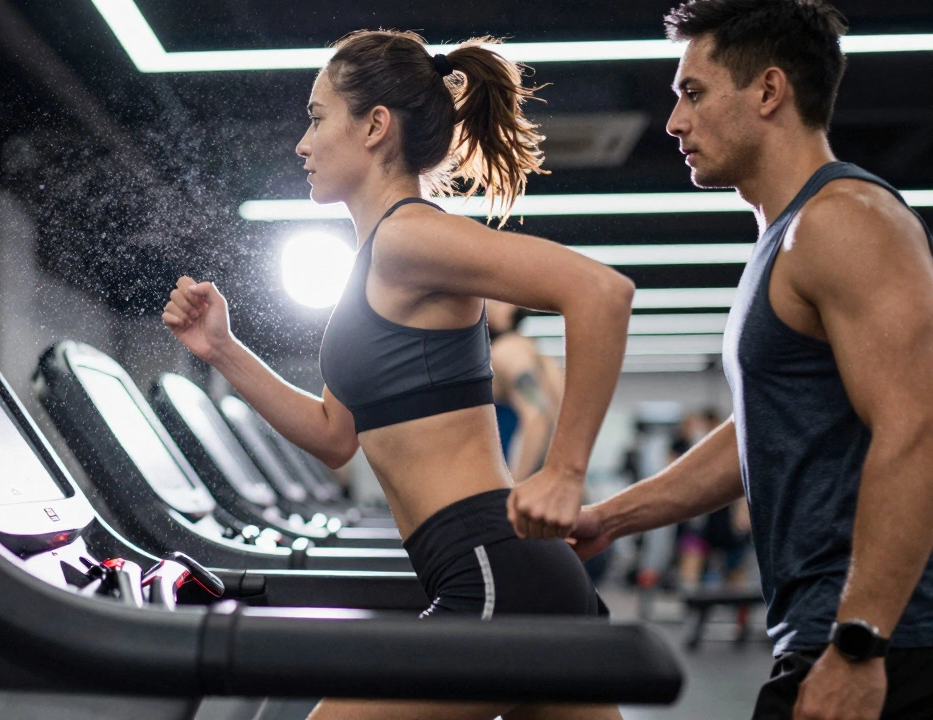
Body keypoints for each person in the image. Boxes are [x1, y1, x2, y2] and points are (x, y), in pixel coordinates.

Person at [163, 29, 633, 720]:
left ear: (375, 125)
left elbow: (600, 292)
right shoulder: (377, 262)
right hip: (510, 572)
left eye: (317, 118)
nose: (302, 144)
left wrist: (563, 472)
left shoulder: (409, 237)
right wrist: (223, 350)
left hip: (490, 570)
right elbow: (334, 437)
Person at [569, 1, 933, 718]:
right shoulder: (789, 237)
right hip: (832, 631)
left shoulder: (844, 221)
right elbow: (761, 433)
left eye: (693, 93)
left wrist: (860, 644)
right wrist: (611, 519)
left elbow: (917, 428)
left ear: (769, 91)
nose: (674, 122)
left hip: (890, 643)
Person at [485, 301, 564, 478]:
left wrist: (517, 484)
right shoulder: (532, 350)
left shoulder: (508, 350)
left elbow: (538, 417)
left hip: (517, 477)